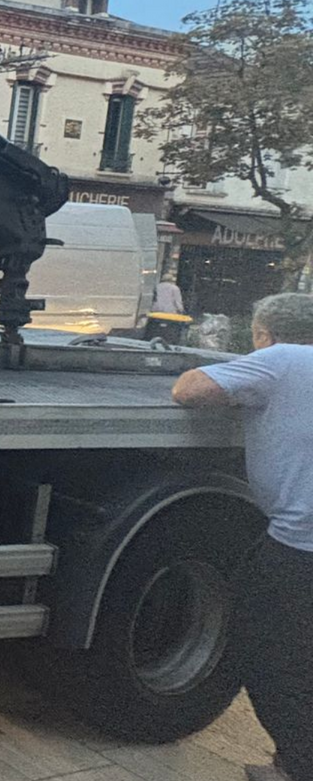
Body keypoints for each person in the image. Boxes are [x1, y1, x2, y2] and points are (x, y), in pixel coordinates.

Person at [171, 292, 313, 781]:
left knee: (269, 652)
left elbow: (190, 390)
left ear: (262, 335)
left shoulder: (283, 359)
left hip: (303, 544)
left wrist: (244, 384)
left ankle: (299, 766)